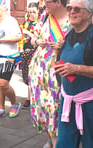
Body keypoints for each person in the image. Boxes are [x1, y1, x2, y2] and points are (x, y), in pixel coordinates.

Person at [28, 0, 71, 147]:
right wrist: (37, 41)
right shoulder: (45, 17)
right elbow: (33, 39)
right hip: (39, 71)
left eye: (47, 2)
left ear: (58, 2)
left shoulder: (72, 19)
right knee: (43, 107)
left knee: (55, 107)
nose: (44, 5)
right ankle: (49, 139)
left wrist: (63, 45)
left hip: (57, 72)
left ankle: (56, 142)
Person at [54, 0, 93, 147]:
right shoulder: (68, 34)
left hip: (90, 105)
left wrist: (77, 69)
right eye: (69, 8)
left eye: (77, 9)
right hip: (68, 104)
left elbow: (74, 67)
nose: (71, 11)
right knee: (64, 144)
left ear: (89, 13)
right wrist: (57, 51)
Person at [0, 0, 22, 119]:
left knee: (3, 83)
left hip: (9, 57)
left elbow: (18, 37)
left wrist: (3, 40)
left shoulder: (10, 21)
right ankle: (1, 108)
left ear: (4, 7)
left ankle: (15, 103)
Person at [18, 2, 39, 109]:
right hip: (26, 51)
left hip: (35, 51)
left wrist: (29, 33)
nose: (32, 14)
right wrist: (21, 49)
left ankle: (30, 98)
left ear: (38, 11)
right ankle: (29, 97)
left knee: (33, 75)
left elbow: (38, 38)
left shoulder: (40, 23)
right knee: (27, 75)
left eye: (34, 12)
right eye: (30, 12)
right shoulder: (26, 23)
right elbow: (21, 38)